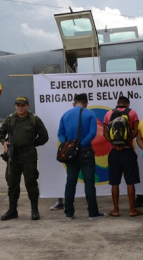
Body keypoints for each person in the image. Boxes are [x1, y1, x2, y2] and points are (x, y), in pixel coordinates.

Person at [0, 95, 49, 221]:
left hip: (28, 155)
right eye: (18, 105)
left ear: (27, 106)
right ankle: (12, 210)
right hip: (13, 155)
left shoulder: (34, 119)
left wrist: (31, 144)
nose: (20, 108)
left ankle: (34, 210)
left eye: (22, 106)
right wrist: (4, 142)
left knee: (31, 182)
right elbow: (0, 133)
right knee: (12, 183)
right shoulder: (10, 119)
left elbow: (44, 136)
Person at [58, 93, 106, 221]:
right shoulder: (90, 114)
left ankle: (69, 213)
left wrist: (69, 146)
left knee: (70, 182)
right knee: (89, 182)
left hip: (70, 155)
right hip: (86, 152)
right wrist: (80, 146)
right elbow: (92, 133)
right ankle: (92, 213)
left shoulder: (66, 114)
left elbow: (60, 134)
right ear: (86, 103)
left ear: (74, 102)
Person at [103, 96, 142, 217]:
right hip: (128, 151)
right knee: (130, 182)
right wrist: (125, 142)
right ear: (127, 104)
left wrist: (114, 144)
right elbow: (136, 131)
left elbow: (105, 133)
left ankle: (116, 210)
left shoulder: (109, 114)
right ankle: (132, 210)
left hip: (114, 152)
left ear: (118, 104)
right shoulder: (132, 112)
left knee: (115, 182)